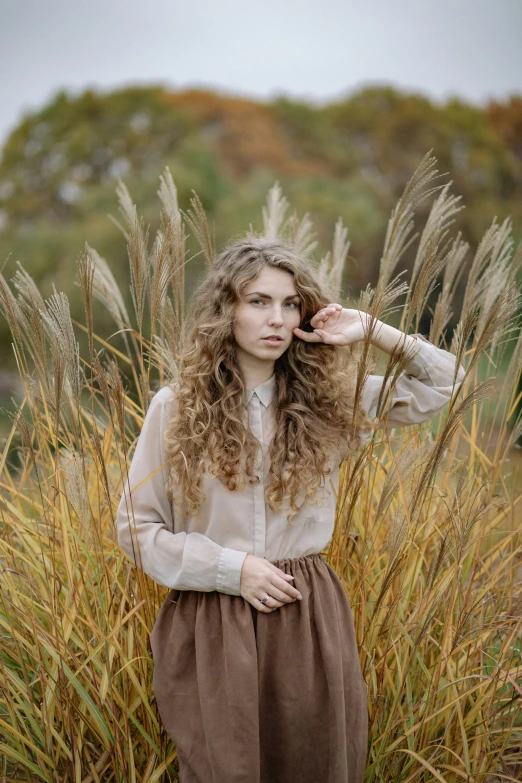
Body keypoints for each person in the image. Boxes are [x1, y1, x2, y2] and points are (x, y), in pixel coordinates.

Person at [115, 236, 466, 783]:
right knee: (223, 769)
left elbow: (448, 382)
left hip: (306, 613)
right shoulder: (175, 407)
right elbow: (136, 529)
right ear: (225, 309)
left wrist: (371, 328)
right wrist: (232, 571)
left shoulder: (332, 401)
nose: (275, 318)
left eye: (289, 303)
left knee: (316, 764)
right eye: (257, 301)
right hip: (212, 618)